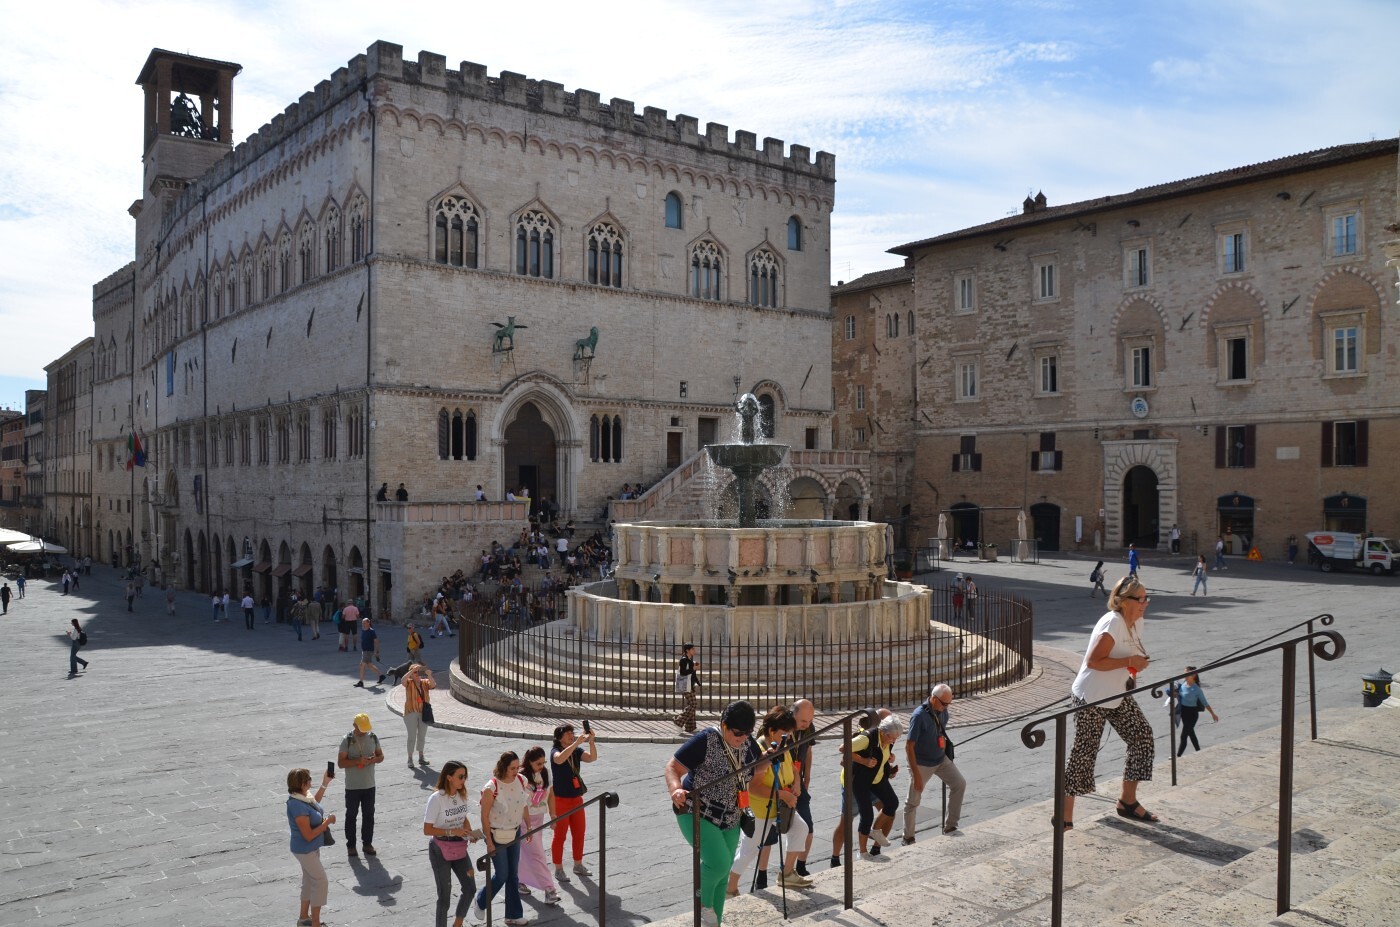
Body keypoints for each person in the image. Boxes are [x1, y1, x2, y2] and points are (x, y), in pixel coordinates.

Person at [1060, 575, 1157, 831]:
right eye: (1140, 599)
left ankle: (1127, 801)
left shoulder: (1137, 622)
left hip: (1116, 693)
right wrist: (1130, 663)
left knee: (1142, 736)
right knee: (1084, 753)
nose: (1145, 603)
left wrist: (1131, 673)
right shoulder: (1112, 623)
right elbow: (1094, 661)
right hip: (1091, 696)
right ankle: (1063, 815)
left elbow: (1128, 654)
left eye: (1146, 598)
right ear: (1124, 601)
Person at [666, 700, 762, 927]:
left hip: (731, 816)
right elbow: (672, 767)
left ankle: (713, 922)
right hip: (697, 811)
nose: (743, 738)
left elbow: (755, 769)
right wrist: (676, 789)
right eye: (738, 733)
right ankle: (703, 906)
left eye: (748, 733)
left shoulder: (749, 744)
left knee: (723, 872)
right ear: (724, 725)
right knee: (717, 863)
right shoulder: (706, 740)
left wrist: (769, 757)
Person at [726, 706, 813, 895]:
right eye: (785, 733)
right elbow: (754, 787)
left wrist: (797, 782)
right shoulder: (760, 750)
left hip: (781, 806)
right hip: (761, 809)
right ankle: (730, 888)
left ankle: (787, 874)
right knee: (749, 851)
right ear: (772, 731)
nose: (789, 737)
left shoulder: (781, 745)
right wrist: (784, 795)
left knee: (800, 828)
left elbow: (793, 768)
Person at [469, 752, 532, 925]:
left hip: (515, 831)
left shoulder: (521, 780)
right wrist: (489, 843)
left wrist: (529, 826)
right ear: (503, 767)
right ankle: (481, 900)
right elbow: (484, 816)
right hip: (496, 835)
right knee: (502, 874)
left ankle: (513, 915)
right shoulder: (491, 787)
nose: (516, 771)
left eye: (517, 767)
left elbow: (523, 804)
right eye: (512, 768)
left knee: (513, 875)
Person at [903, 684, 967, 842]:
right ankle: (908, 837)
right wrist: (916, 775)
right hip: (922, 763)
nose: (946, 707)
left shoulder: (943, 712)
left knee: (959, 784)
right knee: (912, 802)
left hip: (940, 759)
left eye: (948, 704)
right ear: (933, 698)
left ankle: (951, 826)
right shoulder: (919, 716)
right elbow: (909, 746)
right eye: (944, 703)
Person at [838, 714, 903, 861]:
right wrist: (864, 761)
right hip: (860, 779)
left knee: (892, 803)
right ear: (882, 732)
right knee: (866, 815)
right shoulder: (867, 738)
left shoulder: (888, 739)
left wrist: (890, 758)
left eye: (896, 738)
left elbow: (881, 755)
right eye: (891, 737)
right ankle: (862, 852)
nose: (893, 741)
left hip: (877, 778)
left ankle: (875, 830)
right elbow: (843, 748)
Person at [423, 760, 480, 927]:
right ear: (449, 777)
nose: (464, 780)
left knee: (470, 888)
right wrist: (451, 831)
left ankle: (457, 924)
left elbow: (463, 817)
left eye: (465, 776)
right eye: (460, 777)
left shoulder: (461, 794)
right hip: (440, 848)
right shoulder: (436, 799)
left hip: (459, 846)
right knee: (445, 896)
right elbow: (427, 829)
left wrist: (469, 832)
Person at [287, 766, 337, 927]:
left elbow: (314, 805)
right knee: (321, 881)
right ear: (302, 784)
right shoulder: (296, 805)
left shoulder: (303, 797)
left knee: (309, 881)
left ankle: (303, 919)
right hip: (305, 850)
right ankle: (315, 922)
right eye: (309, 779)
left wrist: (325, 783)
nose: (310, 781)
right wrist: (327, 822)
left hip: (310, 849)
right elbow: (308, 835)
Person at [549, 722, 597, 882]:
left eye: (572, 732)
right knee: (560, 836)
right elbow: (559, 759)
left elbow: (592, 758)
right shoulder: (555, 751)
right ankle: (558, 869)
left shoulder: (576, 751)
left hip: (576, 799)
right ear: (559, 738)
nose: (571, 735)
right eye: (568, 733)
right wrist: (576, 743)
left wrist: (591, 742)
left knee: (579, 833)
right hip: (560, 800)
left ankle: (578, 864)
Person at [517, 746, 562, 904]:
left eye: (543, 763)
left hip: (539, 817)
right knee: (537, 854)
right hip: (525, 820)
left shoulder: (545, 773)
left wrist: (553, 815)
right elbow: (520, 803)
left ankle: (519, 880)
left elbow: (551, 794)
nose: (542, 766)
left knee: (527, 852)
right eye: (538, 763)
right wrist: (528, 824)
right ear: (529, 762)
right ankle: (549, 889)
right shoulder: (521, 777)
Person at [338, 712, 384, 856]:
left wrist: (373, 760)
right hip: (352, 786)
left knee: (369, 815)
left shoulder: (373, 737)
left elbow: (381, 756)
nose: (364, 731)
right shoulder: (347, 740)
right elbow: (341, 763)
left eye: (366, 728)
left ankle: (367, 844)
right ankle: (351, 845)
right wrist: (358, 761)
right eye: (361, 728)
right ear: (354, 725)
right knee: (351, 816)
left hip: (369, 785)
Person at [1171, 667, 1219, 755]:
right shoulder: (1183, 684)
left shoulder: (1197, 689)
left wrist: (1213, 714)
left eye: (1187, 674)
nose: (1184, 675)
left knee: (1184, 735)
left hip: (1192, 714)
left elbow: (1205, 703)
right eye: (1184, 673)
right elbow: (1179, 694)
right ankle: (1198, 751)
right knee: (1191, 733)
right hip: (1183, 713)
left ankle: (1178, 756)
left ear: (1193, 675)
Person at [402, 663, 435, 768]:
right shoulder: (409, 682)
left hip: (423, 712)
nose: (417, 674)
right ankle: (410, 759)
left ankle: (421, 757)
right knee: (411, 736)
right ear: (411, 674)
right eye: (415, 672)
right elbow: (402, 680)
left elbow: (433, 685)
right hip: (411, 712)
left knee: (422, 736)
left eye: (418, 672)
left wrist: (429, 675)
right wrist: (412, 671)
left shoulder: (424, 682)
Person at [673, 643, 700, 733]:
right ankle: (678, 721)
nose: (694, 650)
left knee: (692, 704)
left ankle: (690, 727)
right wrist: (693, 668)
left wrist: (698, 682)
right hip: (686, 685)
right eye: (692, 649)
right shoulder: (684, 660)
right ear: (687, 650)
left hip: (690, 685)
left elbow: (692, 673)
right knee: (693, 704)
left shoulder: (689, 659)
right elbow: (683, 672)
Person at [353, 617, 386, 688]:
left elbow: (376, 641)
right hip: (364, 651)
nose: (363, 624)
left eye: (364, 623)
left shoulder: (371, 631)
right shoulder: (363, 630)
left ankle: (361, 682)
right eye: (362, 623)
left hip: (368, 651)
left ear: (368, 623)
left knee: (362, 665)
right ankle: (381, 675)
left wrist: (377, 652)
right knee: (370, 665)